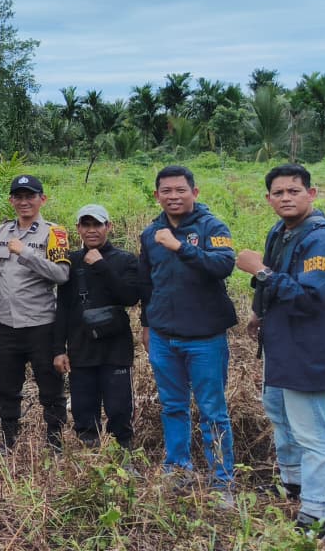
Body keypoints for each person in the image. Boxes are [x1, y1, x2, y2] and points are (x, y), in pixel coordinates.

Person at [237, 164, 325, 538]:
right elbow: (274, 276)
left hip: (311, 349)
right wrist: (258, 311)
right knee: (279, 413)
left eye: (294, 191)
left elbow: (310, 298)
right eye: (278, 192)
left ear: (312, 194)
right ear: (268, 198)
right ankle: (294, 485)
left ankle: (317, 518)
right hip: (282, 343)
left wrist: (259, 273)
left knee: (312, 432)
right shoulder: (282, 230)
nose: (286, 198)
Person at [138, 165, 237, 492]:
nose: (173, 196)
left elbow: (224, 265)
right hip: (164, 338)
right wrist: (146, 323)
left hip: (205, 338)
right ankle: (177, 468)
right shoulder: (151, 234)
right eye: (166, 191)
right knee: (173, 406)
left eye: (180, 190)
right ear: (157, 195)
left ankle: (222, 481)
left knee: (212, 410)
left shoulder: (212, 227)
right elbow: (147, 283)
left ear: (195, 192)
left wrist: (181, 247)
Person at [0, 174, 70, 450]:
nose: (24, 202)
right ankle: (9, 439)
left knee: (50, 386)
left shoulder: (54, 233)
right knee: (7, 385)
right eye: (18, 196)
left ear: (42, 199)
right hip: (7, 325)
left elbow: (62, 274)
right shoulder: (2, 233)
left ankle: (54, 440)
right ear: (11, 200)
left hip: (41, 324)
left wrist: (26, 254)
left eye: (30, 196)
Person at [52, 204, 140, 449]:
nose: (92, 230)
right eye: (86, 225)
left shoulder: (125, 259)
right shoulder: (70, 260)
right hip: (81, 346)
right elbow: (63, 308)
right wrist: (59, 349)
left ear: (108, 227)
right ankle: (89, 454)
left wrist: (102, 266)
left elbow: (130, 297)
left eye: (97, 225)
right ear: (78, 228)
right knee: (83, 408)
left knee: (119, 407)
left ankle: (123, 451)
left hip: (116, 347)